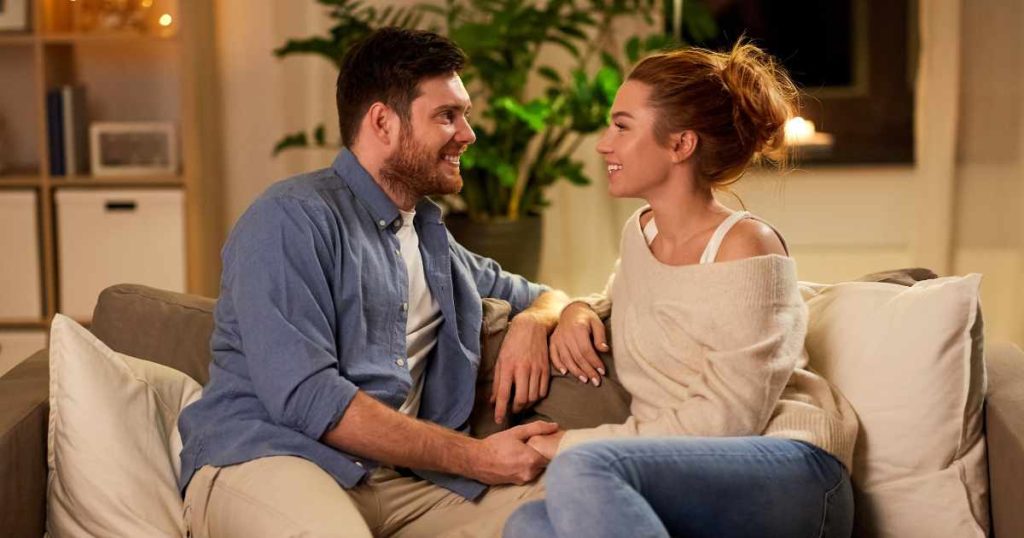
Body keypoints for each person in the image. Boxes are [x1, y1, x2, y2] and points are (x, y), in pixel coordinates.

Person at [177, 27, 572, 538]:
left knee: (571, 509)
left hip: (392, 483)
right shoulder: (290, 218)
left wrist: (539, 320)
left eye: (465, 114)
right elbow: (309, 399)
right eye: (447, 116)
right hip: (270, 458)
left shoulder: (433, 240)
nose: (468, 134)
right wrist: (476, 458)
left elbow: (550, 294)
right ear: (383, 122)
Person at [505, 41, 860, 538]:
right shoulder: (641, 232)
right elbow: (635, 303)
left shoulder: (747, 246)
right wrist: (578, 310)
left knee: (581, 468)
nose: (604, 143)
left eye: (622, 126)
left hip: (791, 471)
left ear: (680, 145)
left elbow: (729, 418)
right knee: (529, 525)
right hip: (682, 475)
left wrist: (568, 444)